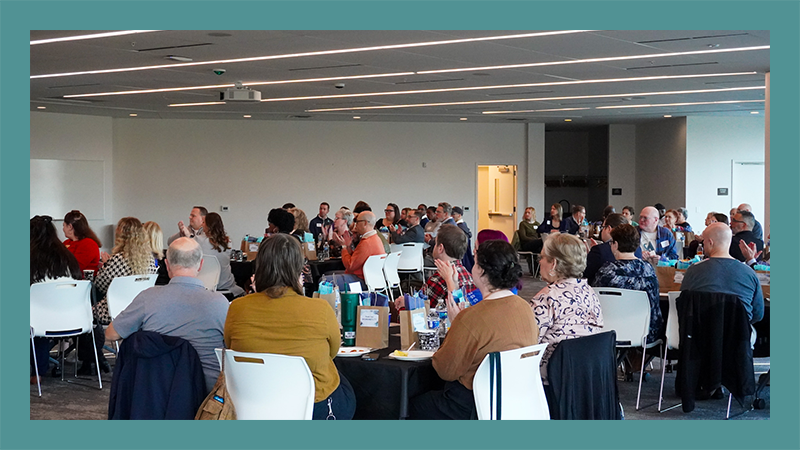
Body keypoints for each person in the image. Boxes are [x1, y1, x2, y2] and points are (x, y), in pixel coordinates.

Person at [224, 234, 356, 420]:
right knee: (341, 379)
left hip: (254, 404)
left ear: (260, 265)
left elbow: (231, 347)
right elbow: (332, 352)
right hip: (313, 407)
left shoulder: (237, 308)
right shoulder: (319, 309)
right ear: (298, 268)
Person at [409, 240, 538, 420]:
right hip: (513, 399)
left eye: (475, 262)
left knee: (408, 404)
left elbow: (445, 370)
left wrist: (455, 325)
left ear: (482, 271)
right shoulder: (525, 308)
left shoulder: (472, 317)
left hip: (472, 404)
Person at [105, 237, 229, 393]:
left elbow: (111, 334)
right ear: (201, 265)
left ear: (167, 265)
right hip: (207, 396)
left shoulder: (148, 298)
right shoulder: (220, 303)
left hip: (159, 394)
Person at [528, 233, 603, 383]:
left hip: (552, 379)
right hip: (586, 377)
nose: (539, 262)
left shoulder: (547, 298)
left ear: (554, 264)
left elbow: (527, 345)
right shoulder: (590, 292)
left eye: (542, 257)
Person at [89, 217, 158, 375]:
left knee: (86, 313)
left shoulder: (117, 260)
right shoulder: (151, 260)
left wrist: (105, 265)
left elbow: (99, 285)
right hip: (141, 311)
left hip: (113, 311)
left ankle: (93, 358)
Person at [30, 215, 83, 385]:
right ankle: (38, 370)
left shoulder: (30, 259)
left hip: (39, 321)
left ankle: (36, 369)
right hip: (71, 319)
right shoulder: (68, 257)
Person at [681, 223, 764, 325]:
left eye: (704, 242)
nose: (703, 245)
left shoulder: (693, 270)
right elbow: (758, 314)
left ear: (710, 242)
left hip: (700, 334)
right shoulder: (750, 273)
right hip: (739, 336)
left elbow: (684, 303)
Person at [592, 224, 662, 344]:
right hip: (646, 333)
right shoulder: (648, 269)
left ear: (616, 245)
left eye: (611, 243)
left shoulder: (607, 271)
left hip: (609, 333)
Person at [396, 224, 475, 310]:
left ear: (440, 248)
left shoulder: (439, 279)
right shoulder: (468, 275)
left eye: (435, 243)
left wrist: (406, 302)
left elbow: (421, 306)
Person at [324, 211, 385, 291]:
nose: (355, 225)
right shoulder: (375, 238)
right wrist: (348, 247)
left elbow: (350, 265)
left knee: (324, 281)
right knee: (327, 274)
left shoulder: (366, 243)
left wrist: (344, 247)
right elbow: (357, 258)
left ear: (365, 223)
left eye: (357, 222)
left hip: (362, 280)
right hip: (371, 279)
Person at [584, 213, 643, 284]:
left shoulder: (600, 252)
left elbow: (585, 275)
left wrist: (590, 254)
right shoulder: (638, 250)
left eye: (603, 228)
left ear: (608, 228)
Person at [200, 212, 246, 298]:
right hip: (227, 287)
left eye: (203, 222)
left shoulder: (199, 241)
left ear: (208, 225)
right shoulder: (228, 242)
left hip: (206, 286)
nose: (201, 225)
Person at [62, 209, 102, 274]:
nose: (63, 229)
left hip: (83, 282)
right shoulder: (66, 242)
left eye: (64, 225)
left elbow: (75, 267)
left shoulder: (88, 244)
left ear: (70, 227)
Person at [451, 206, 474, 271]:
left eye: (454, 214)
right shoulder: (463, 225)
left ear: (459, 215)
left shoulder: (460, 227)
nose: (452, 216)